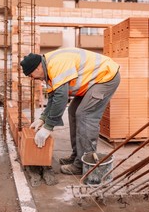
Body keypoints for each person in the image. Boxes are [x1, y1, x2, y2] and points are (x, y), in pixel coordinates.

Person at [20, 47, 120, 175]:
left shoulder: (56, 64)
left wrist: (48, 127)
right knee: (73, 111)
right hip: (92, 82)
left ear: (37, 68)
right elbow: (53, 98)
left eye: (31, 76)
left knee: (85, 115)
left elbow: (61, 97)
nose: (33, 79)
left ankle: (84, 163)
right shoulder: (48, 71)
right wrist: (43, 118)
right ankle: (77, 155)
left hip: (105, 77)